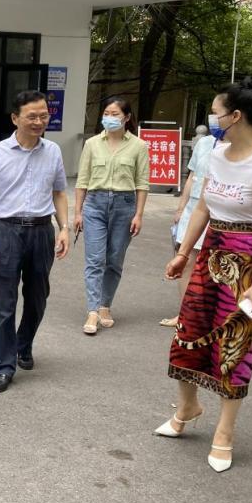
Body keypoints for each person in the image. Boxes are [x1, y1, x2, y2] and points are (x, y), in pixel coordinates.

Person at [156, 77, 252, 473]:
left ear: (236, 116)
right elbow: (203, 208)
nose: (211, 119)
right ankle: (187, 407)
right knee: (188, 332)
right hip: (210, 253)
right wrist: (183, 253)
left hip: (245, 263)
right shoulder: (216, 153)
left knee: (235, 344)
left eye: (215, 113)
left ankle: (225, 432)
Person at [0, 91, 70, 393]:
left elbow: (59, 192)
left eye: (44, 116)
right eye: (32, 116)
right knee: (4, 302)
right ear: (16, 118)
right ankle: (3, 366)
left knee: (38, 297)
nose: (39, 121)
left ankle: (23, 344)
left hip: (42, 232)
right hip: (7, 231)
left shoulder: (53, 151)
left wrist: (64, 228)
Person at [73, 97, 149, 334]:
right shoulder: (92, 144)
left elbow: (142, 183)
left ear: (127, 117)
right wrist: (78, 212)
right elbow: (82, 180)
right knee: (94, 260)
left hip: (124, 205)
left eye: (115, 114)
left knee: (114, 260)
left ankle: (105, 305)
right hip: (94, 204)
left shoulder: (139, 146)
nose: (109, 118)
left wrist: (138, 214)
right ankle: (92, 310)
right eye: (106, 113)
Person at [160, 127, 217, 327]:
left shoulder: (235, 147)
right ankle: (185, 315)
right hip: (193, 209)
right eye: (213, 114)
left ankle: (210, 316)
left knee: (213, 266)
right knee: (186, 261)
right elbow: (192, 176)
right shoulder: (204, 143)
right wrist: (181, 208)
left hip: (217, 213)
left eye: (218, 113)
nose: (215, 119)